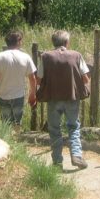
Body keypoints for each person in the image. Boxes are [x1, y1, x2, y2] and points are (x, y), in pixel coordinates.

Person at [37, 30, 90, 170]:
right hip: (72, 98)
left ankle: (57, 162)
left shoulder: (45, 56)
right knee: (73, 127)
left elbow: (38, 79)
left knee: (54, 129)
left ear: (53, 42)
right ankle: (76, 156)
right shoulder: (76, 55)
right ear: (67, 42)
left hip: (53, 98)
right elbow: (85, 78)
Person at [0, 31, 37, 130]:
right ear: (18, 42)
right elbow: (32, 78)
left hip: (3, 96)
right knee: (17, 123)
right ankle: (16, 140)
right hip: (18, 96)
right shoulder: (25, 57)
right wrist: (32, 94)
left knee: (5, 124)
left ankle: (8, 141)